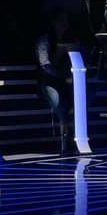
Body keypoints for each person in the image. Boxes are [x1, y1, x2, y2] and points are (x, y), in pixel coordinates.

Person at [35, 10, 78, 152]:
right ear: (53, 22)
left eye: (66, 21)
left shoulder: (72, 39)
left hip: (71, 80)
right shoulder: (45, 40)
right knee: (61, 106)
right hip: (50, 80)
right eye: (60, 21)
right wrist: (59, 73)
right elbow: (44, 64)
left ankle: (76, 137)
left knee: (78, 103)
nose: (64, 24)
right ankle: (66, 140)